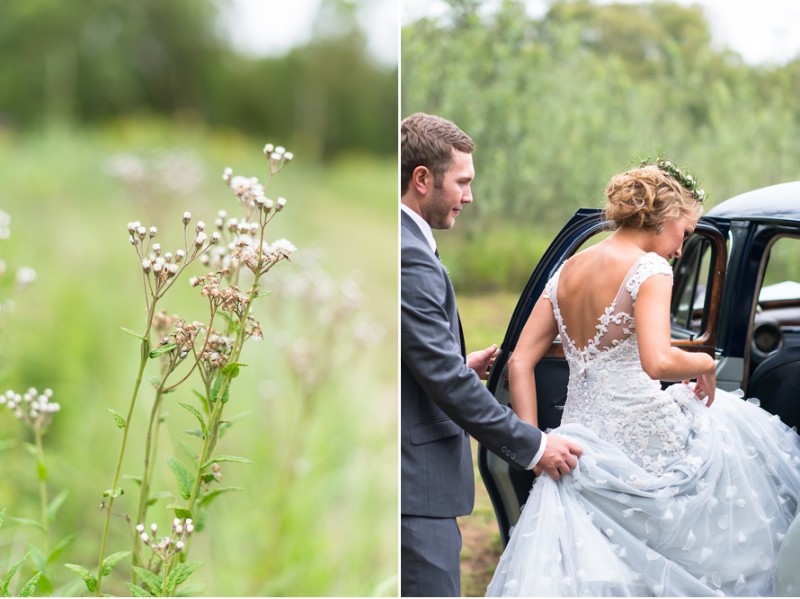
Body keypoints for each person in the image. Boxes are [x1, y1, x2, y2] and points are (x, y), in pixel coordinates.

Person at [486, 159, 800, 596]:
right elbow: (657, 362)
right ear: (666, 217)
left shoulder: (568, 270)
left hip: (579, 439)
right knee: (736, 452)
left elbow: (519, 362)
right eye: (686, 234)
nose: (679, 248)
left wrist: (535, 445)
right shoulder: (651, 271)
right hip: (641, 438)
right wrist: (706, 364)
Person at [400, 112, 584, 597]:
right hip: (412, 489)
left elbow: (425, 364)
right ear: (423, 179)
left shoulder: (408, 244)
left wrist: (459, 365)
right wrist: (535, 446)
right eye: (462, 182)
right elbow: (444, 382)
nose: (469, 196)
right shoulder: (408, 254)